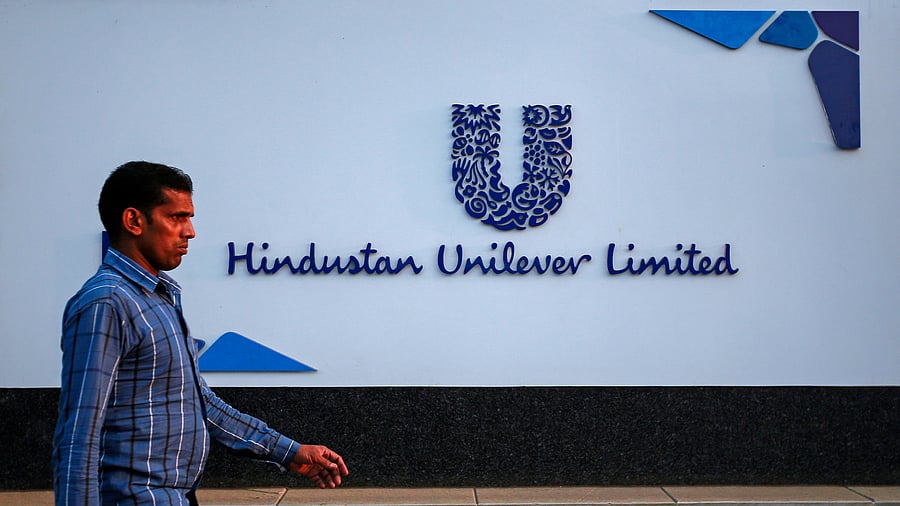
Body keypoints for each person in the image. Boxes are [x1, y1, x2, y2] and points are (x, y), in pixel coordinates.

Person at [52, 161, 349, 505]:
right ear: (133, 220)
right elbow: (78, 433)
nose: (190, 231)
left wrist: (290, 451)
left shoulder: (160, 297)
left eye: (189, 218)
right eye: (176, 217)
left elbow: (199, 403)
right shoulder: (107, 303)